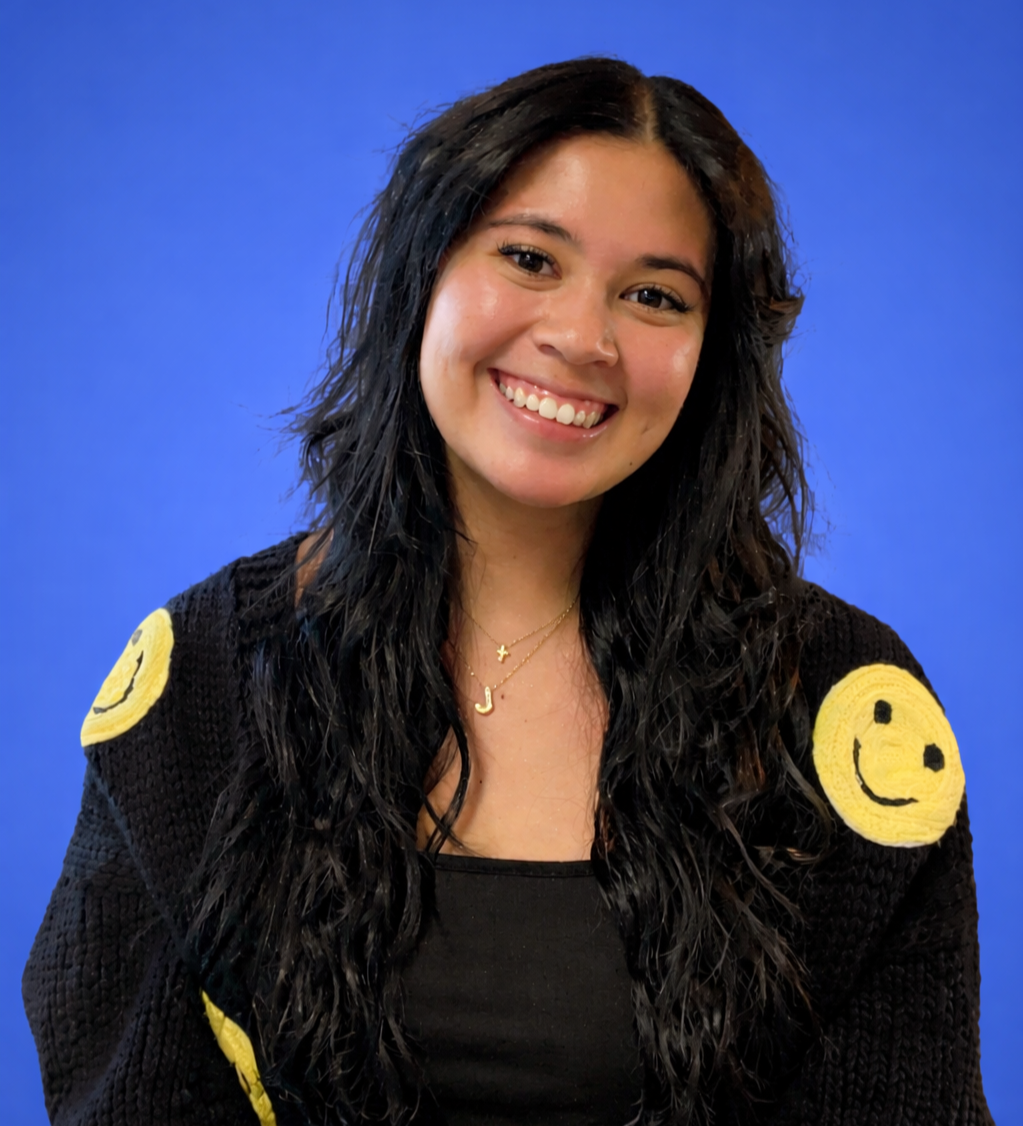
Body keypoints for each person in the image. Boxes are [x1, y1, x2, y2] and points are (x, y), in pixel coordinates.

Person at [23, 58, 991, 1126]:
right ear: (421, 270)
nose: (583, 338)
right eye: (531, 258)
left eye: (655, 295)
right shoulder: (198, 682)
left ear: (715, 354)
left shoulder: (850, 717)